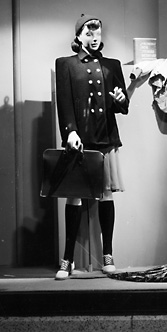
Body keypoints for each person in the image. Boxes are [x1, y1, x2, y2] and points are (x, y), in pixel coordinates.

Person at [54, 14, 130, 279]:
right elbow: (64, 102)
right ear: (78, 36)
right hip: (79, 141)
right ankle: (67, 259)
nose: (95, 38)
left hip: (105, 137)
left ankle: (108, 255)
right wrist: (70, 131)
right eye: (89, 33)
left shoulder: (112, 65)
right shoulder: (66, 64)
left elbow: (123, 107)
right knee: (74, 195)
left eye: (98, 33)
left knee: (106, 194)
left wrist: (121, 99)